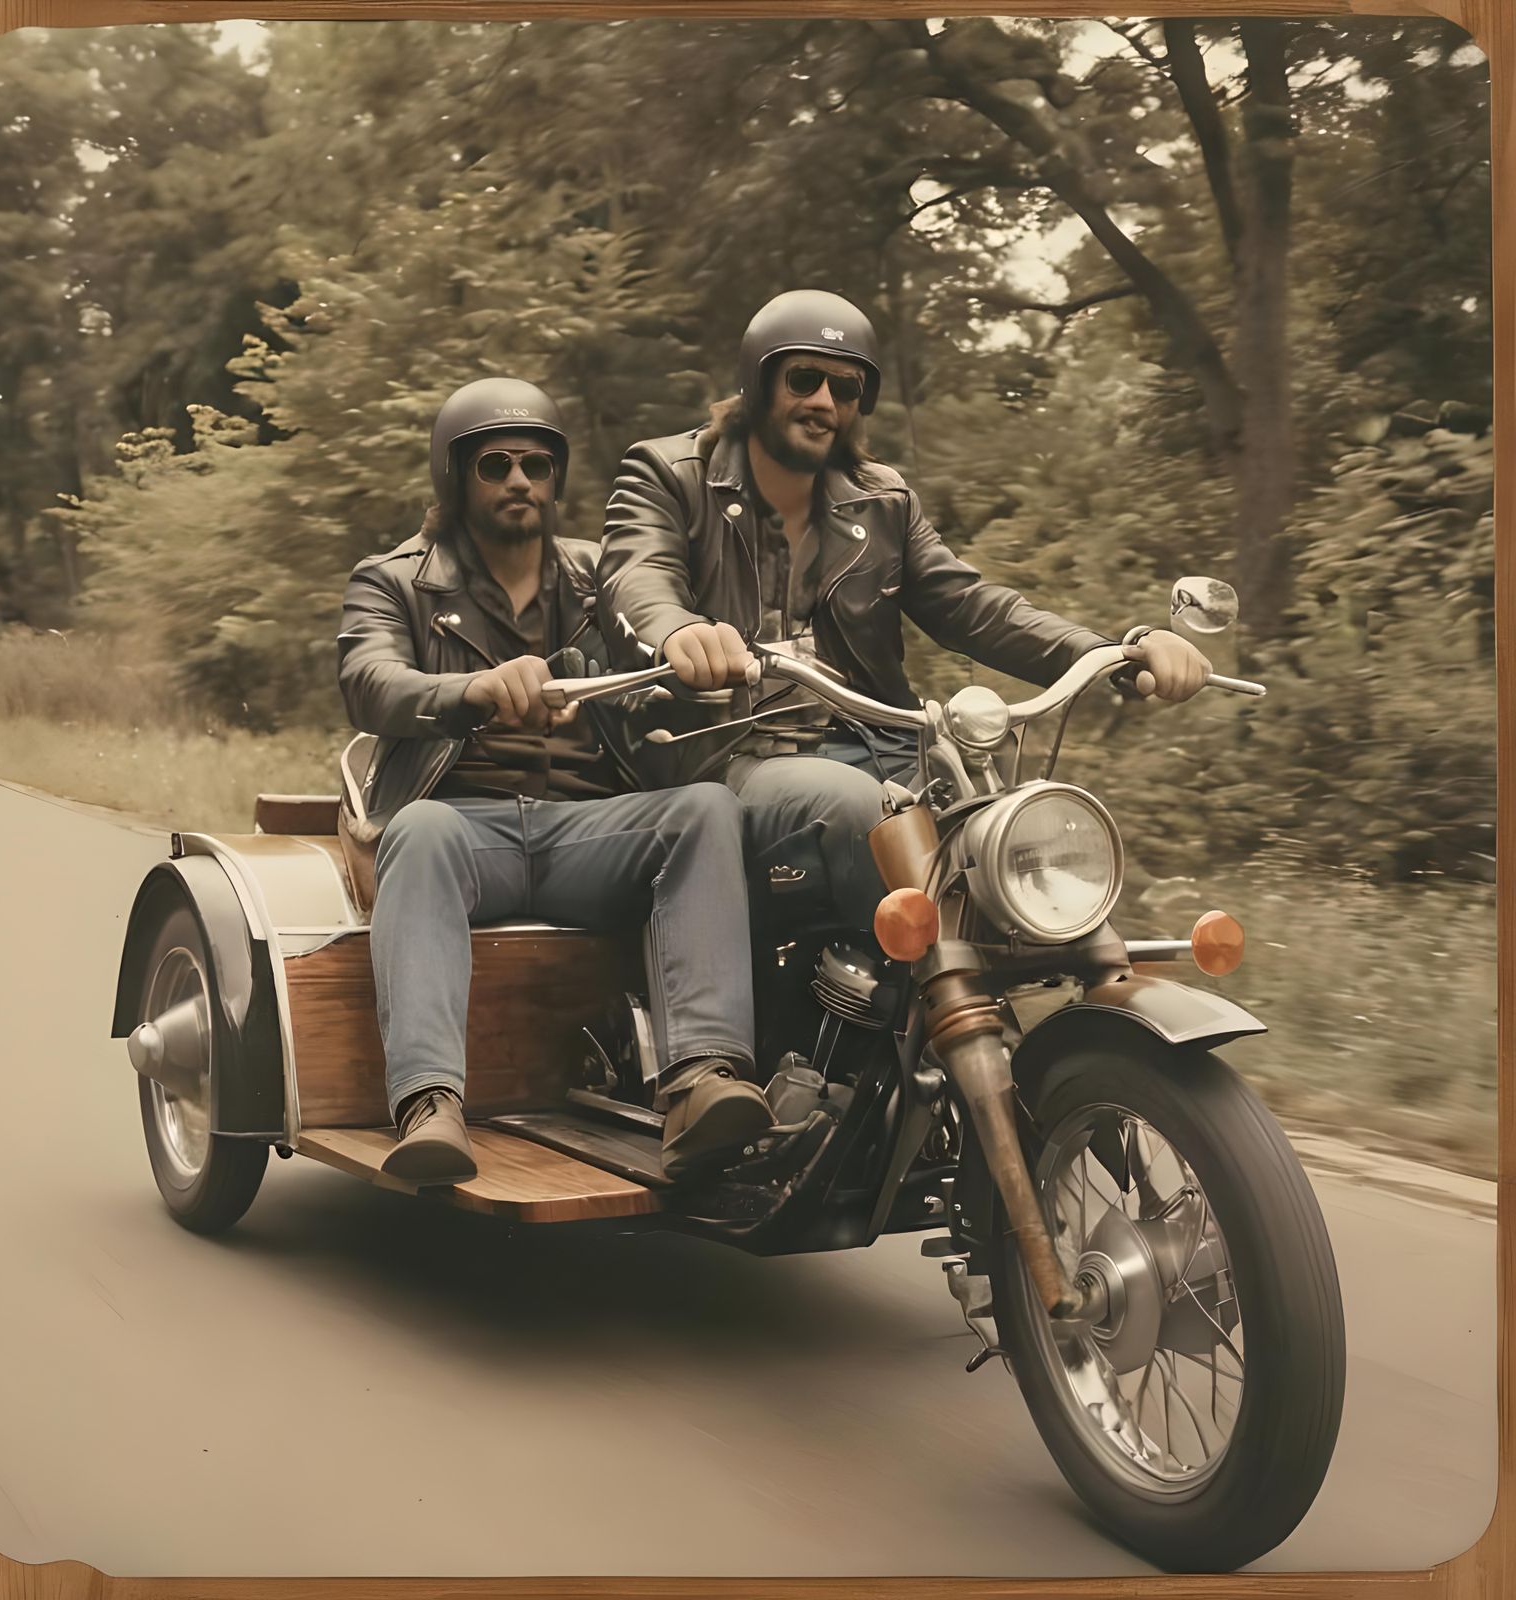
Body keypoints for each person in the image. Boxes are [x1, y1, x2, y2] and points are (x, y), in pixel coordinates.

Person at [597, 289, 1214, 929]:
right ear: (757, 384)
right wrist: (678, 630)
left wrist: (1115, 652)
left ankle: (1067, 999)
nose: (823, 403)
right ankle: (923, 997)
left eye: (846, 389)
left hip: (882, 746)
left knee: (1029, 830)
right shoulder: (670, 474)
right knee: (860, 809)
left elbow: (971, 606)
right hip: (721, 754)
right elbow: (637, 575)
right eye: (804, 379)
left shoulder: (881, 499)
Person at [337, 377, 771, 1184]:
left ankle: (702, 1081)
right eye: (495, 465)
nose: (518, 482)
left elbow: (655, 649)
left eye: (536, 465)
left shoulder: (597, 582)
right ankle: (430, 1106)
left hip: (588, 831)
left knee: (707, 809)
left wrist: (691, 664)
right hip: (462, 831)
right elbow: (369, 681)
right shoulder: (394, 579)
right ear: (455, 477)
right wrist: (471, 693)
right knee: (421, 830)